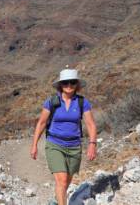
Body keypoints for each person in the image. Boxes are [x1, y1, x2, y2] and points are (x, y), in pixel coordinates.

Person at [30, 68, 97, 205]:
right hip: (55, 144)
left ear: (77, 84)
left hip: (74, 146)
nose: (69, 86)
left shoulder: (82, 102)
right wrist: (34, 145)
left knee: (67, 180)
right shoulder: (52, 102)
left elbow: (91, 125)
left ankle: (56, 200)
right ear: (60, 85)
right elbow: (41, 123)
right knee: (62, 180)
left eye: (72, 82)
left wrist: (92, 144)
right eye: (65, 82)